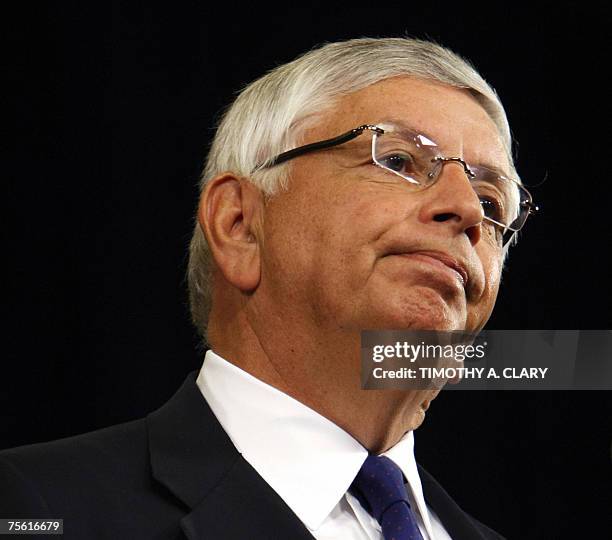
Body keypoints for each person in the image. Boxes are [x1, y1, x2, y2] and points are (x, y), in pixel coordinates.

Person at [0, 37, 536, 539]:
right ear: (239, 224)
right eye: (397, 160)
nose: (467, 211)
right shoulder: (37, 507)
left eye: (492, 204)